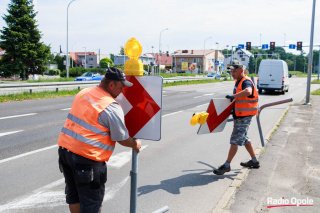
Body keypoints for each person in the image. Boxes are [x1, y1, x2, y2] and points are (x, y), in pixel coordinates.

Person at [57, 67, 141, 212]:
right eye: (121, 88)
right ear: (111, 85)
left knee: (74, 196)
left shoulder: (84, 93)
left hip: (65, 152)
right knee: (91, 204)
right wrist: (135, 144)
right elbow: (121, 138)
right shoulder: (110, 107)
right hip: (87, 159)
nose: (122, 92)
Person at [213, 61, 259, 175]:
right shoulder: (238, 81)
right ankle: (254, 161)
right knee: (244, 138)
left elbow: (248, 92)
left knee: (235, 140)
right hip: (241, 115)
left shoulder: (245, 82)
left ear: (241, 71)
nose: (232, 73)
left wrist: (233, 96)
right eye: (231, 71)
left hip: (244, 116)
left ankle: (226, 165)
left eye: (235, 71)